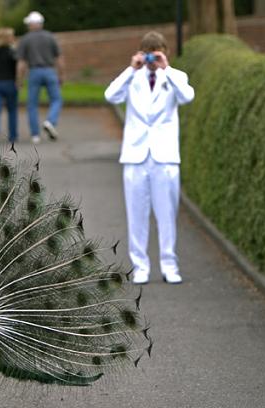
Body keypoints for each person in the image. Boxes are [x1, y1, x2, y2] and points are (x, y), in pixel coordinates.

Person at [104, 31, 194, 285]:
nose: (153, 58)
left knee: (167, 214)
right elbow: (110, 96)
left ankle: (169, 264)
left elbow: (187, 97)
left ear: (165, 52)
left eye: (158, 52)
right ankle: (140, 265)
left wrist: (165, 69)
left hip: (164, 156)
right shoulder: (133, 77)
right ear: (141, 53)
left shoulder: (176, 76)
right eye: (149, 53)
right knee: (136, 213)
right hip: (135, 155)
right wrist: (131, 69)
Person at [16, 11, 65, 144]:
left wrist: (20, 80)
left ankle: (35, 135)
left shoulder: (25, 39)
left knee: (32, 104)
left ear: (32, 24)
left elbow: (21, 63)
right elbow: (59, 58)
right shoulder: (50, 37)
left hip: (34, 72)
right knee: (56, 99)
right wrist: (61, 75)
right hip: (50, 71)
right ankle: (50, 121)